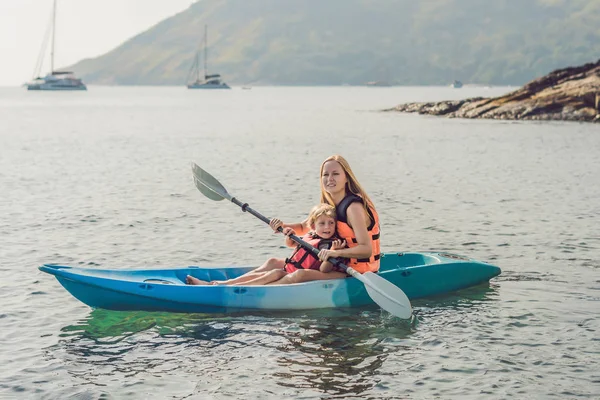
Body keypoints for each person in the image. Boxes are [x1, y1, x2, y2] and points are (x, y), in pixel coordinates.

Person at [268, 154, 381, 284]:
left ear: (346, 178)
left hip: (357, 272)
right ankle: (240, 286)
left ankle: (255, 294)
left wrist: (336, 253)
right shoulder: (329, 205)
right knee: (273, 263)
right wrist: (282, 226)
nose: (330, 179)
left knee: (299, 275)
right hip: (333, 264)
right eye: (325, 175)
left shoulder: (353, 208)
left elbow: (366, 250)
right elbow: (302, 227)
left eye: (335, 174)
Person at [185, 204, 347, 286]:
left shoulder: (329, 244)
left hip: (295, 273)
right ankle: (227, 284)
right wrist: (289, 235)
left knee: (275, 273)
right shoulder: (312, 234)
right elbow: (292, 245)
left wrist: (332, 254)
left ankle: (227, 287)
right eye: (322, 223)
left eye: (331, 223)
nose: (327, 227)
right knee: (272, 263)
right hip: (290, 268)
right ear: (313, 225)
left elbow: (324, 270)